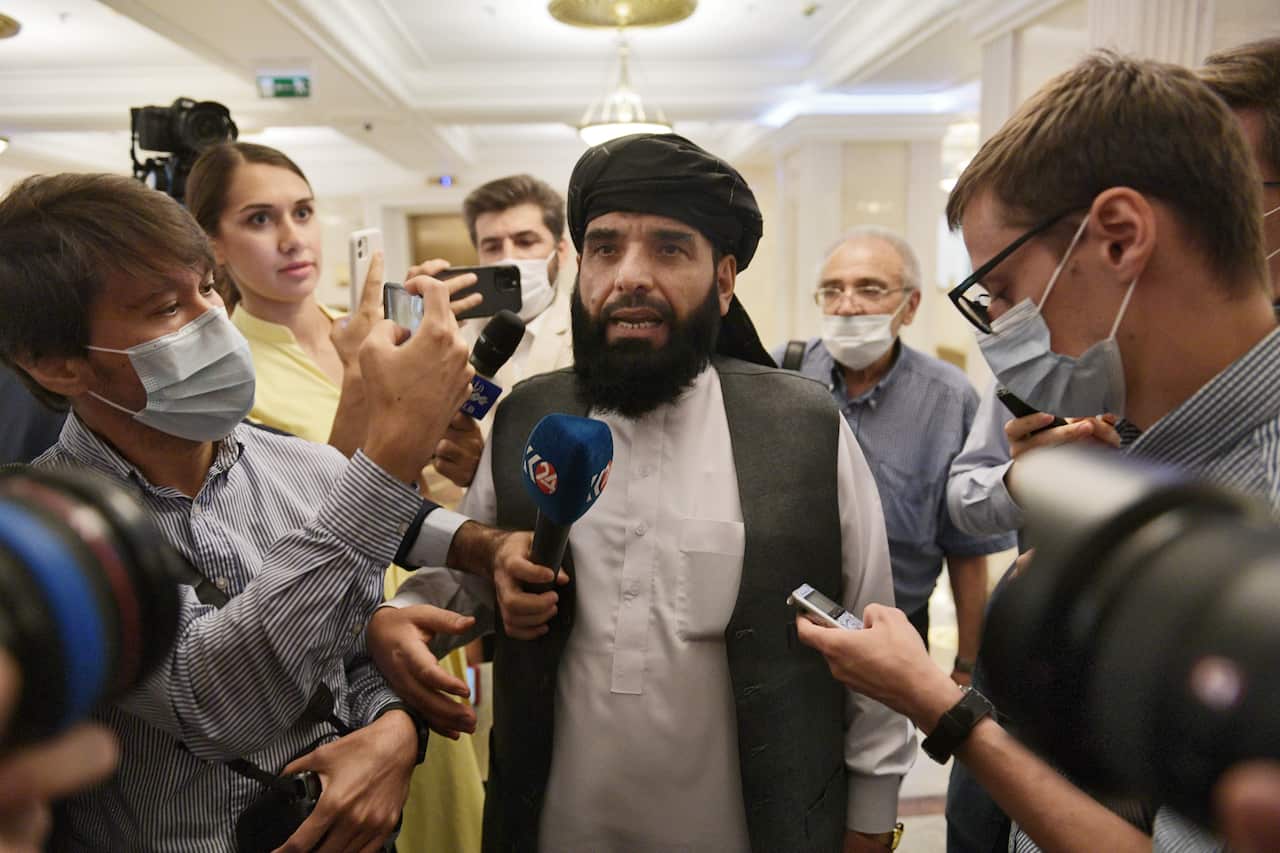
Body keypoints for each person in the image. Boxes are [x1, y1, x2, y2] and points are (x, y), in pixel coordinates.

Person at [374, 133, 916, 853]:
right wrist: (398, 619)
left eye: (668, 249)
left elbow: (870, 648)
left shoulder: (805, 427)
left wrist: (872, 824)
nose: (630, 275)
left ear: (723, 282)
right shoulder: (525, 414)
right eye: (604, 248)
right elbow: (464, 583)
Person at [802, 50, 1279, 853]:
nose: (998, 327)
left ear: (1120, 239)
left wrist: (939, 705)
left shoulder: (1260, 518)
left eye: (1004, 289)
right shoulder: (1154, 465)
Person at [0, 171, 521, 851]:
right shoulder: (47, 532)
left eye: (208, 287)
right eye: (165, 308)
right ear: (58, 364)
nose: (210, 319)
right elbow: (213, 699)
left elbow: (357, 647)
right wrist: (390, 455)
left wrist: (391, 728)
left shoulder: (308, 468)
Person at [186, 141, 486, 853]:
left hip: (413, 608)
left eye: (303, 211)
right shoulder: (229, 371)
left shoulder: (371, 330)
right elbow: (305, 514)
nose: (293, 238)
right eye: (259, 219)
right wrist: (366, 400)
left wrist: (457, 457)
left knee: (452, 808)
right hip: (327, 637)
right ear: (213, 245)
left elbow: (415, 497)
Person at [774, 226, 1014, 678]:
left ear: (911, 305)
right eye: (832, 290)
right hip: (787, 627)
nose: (847, 305)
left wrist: (966, 664)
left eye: (870, 289)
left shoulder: (949, 399)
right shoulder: (782, 374)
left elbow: (966, 548)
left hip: (897, 632)